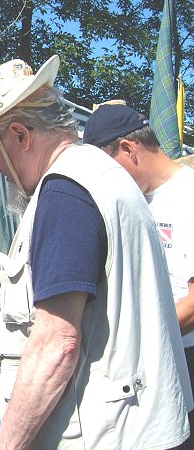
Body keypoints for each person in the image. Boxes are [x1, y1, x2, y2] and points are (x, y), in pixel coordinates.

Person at [0, 55, 192, 449]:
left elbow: (57, 344)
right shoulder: (102, 173)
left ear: (20, 135)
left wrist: (5, 445)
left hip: (108, 435)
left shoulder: (66, 193)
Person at [83, 102, 194, 448]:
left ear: (128, 149)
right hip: (149, 361)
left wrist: (135, 341)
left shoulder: (188, 196)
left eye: (108, 166)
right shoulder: (138, 200)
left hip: (184, 358)